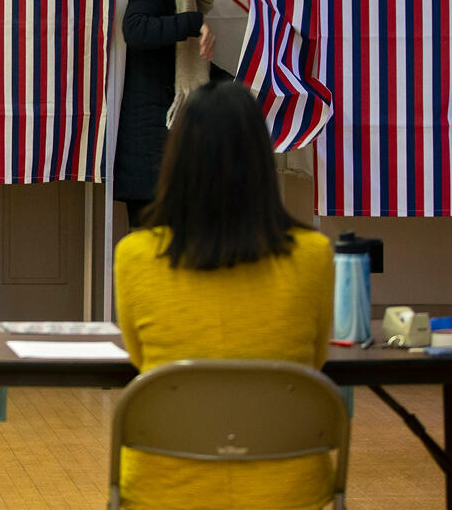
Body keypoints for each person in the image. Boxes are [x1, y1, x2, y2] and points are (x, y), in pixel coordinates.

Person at [114, 80, 334, 510]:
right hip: (288, 486)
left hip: (164, 483)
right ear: (260, 160)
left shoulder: (136, 255)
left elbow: (143, 362)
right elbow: (315, 360)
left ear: (177, 161)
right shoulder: (313, 255)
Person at [115, 0, 219, 227]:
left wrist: (240, 84)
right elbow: (135, 29)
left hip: (158, 142)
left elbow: (177, 65)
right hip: (151, 147)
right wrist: (192, 22)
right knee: (160, 259)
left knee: (162, 260)